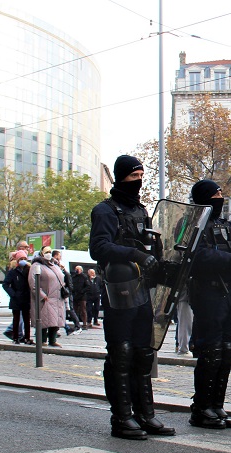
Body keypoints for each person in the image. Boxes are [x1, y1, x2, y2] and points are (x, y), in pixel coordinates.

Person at [90, 155, 174, 438]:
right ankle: (122, 417)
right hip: (119, 291)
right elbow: (99, 247)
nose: (139, 181)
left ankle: (145, 414)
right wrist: (134, 253)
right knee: (121, 353)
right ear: (121, 176)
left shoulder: (140, 211)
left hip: (143, 289)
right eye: (134, 176)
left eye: (142, 175)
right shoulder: (105, 211)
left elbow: (150, 244)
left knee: (142, 352)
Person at [187, 179, 231, 428]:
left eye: (221, 193)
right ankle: (201, 407)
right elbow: (197, 255)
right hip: (208, 293)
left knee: (228, 349)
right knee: (211, 351)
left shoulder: (229, 226)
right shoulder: (192, 224)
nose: (220, 196)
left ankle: (217, 405)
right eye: (215, 193)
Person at [29, 246, 67, 346]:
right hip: (46, 298)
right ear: (42, 253)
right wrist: (41, 294)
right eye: (46, 252)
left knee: (55, 320)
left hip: (57, 297)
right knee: (44, 320)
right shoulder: (36, 265)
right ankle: (42, 340)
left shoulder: (55, 265)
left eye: (50, 251)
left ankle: (52, 340)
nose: (49, 253)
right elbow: (33, 283)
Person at [3, 250, 31, 344]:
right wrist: (13, 294)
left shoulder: (29, 270)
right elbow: (5, 284)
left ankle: (27, 337)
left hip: (26, 298)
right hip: (16, 299)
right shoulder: (13, 271)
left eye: (24, 259)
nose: (23, 261)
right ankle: (16, 338)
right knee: (16, 319)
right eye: (21, 259)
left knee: (27, 319)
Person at [71, 265, 90, 329]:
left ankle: (84, 324)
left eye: (78, 269)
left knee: (83, 310)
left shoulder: (84, 277)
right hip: (75, 296)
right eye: (76, 269)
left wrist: (82, 291)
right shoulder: (73, 277)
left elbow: (88, 286)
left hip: (82, 296)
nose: (77, 270)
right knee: (75, 310)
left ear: (81, 270)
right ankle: (76, 324)